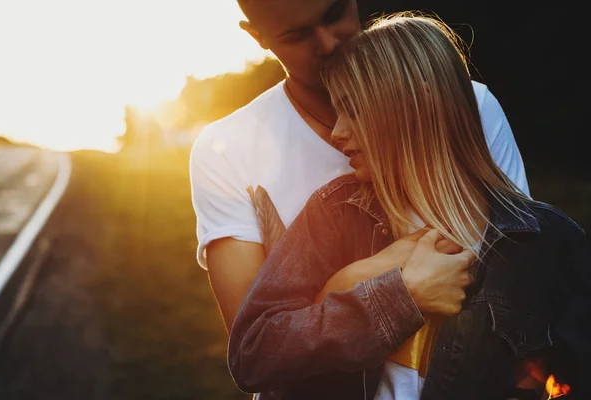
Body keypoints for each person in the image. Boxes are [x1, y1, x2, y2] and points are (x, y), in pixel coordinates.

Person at [226, 12, 591, 400]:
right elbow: (253, 354)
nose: (337, 132)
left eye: (354, 109)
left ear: (412, 107)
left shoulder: (549, 241)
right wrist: (400, 298)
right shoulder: (335, 213)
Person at [190, 0, 529, 333]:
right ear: (257, 37)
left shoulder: (468, 104)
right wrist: (384, 289)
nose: (328, 44)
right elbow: (256, 343)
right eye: (296, 35)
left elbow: (520, 275)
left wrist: (335, 291)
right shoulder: (226, 150)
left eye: (335, 13)